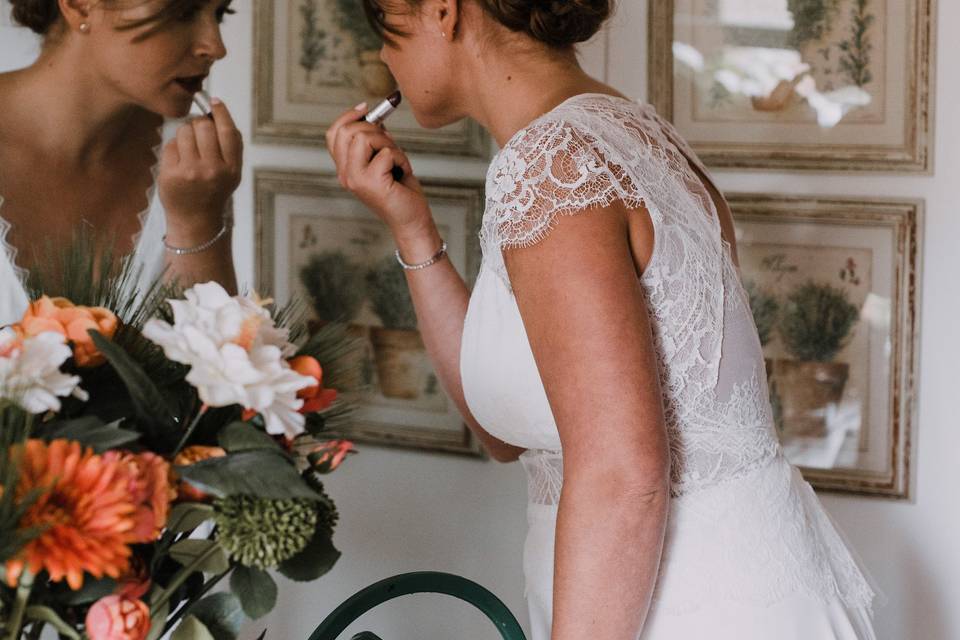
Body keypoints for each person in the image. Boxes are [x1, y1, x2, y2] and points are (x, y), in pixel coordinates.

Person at [326, 0, 878, 638]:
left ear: (443, 11)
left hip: (696, 609)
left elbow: (623, 477)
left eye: (384, 32)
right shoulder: (625, 130)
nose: (383, 57)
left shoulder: (553, 165)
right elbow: (509, 435)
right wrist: (412, 229)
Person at [0, 0, 242, 324]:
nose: (215, 46)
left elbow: (220, 365)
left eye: (219, 14)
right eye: (182, 13)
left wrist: (197, 222)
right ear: (81, 7)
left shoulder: (194, 166)